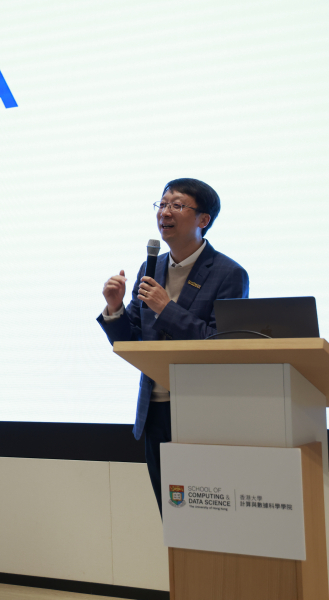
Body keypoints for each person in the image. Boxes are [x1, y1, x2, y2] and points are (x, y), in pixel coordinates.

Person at [97, 178, 249, 515]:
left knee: (205, 515)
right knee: (172, 513)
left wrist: (167, 309)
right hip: (154, 410)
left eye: (177, 205)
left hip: (201, 412)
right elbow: (131, 340)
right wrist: (114, 308)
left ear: (203, 219)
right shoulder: (151, 268)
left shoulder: (228, 273)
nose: (165, 212)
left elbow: (223, 344)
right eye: (162, 204)